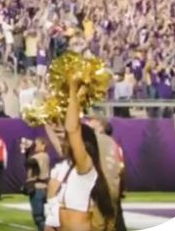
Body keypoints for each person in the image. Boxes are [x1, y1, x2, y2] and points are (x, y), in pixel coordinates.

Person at [56, 75, 116, 231]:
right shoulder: (74, 169)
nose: (67, 141)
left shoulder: (85, 166)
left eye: (70, 139)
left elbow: (72, 129)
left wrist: (73, 90)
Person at [25, 138, 50, 231]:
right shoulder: (46, 156)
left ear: (43, 145)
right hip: (43, 188)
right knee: (41, 216)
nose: (35, 146)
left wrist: (27, 150)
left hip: (37, 188)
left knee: (38, 217)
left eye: (37, 144)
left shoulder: (39, 156)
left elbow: (28, 162)